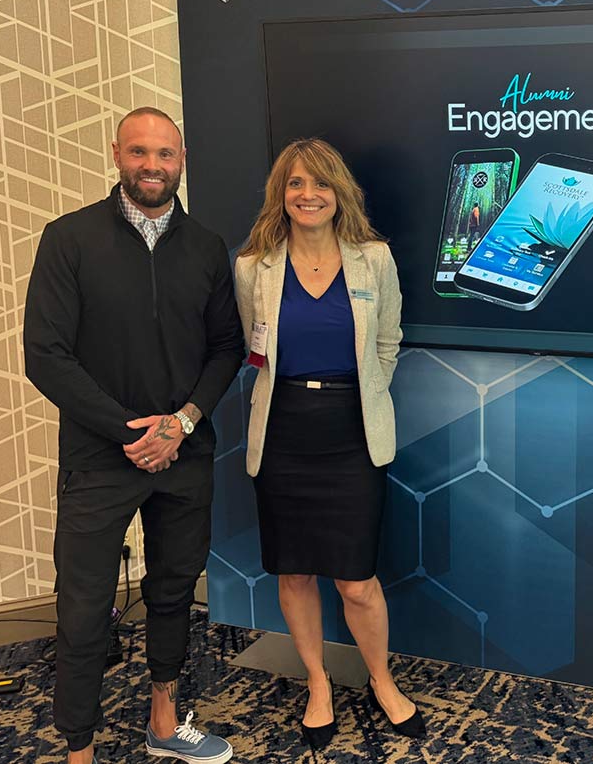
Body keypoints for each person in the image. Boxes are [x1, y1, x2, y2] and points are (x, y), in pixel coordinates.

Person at [23, 107, 244, 764]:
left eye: (165, 154)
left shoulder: (206, 247)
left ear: (182, 161)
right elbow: (45, 355)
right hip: (98, 458)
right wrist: (131, 432)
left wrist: (182, 423)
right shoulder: (69, 238)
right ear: (117, 152)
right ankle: (79, 749)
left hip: (185, 453)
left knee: (173, 593)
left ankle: (164, 721)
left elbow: (226, 348)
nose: (153, 165)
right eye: (140, 152)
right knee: (84, 608)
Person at [234, 138, 424, 751]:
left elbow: (389, 342)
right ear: (280, 194)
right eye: (295, 183)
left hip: (353, 434)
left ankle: (381, 680)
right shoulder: (254, 266)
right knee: (294, 572)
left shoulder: (374, 259)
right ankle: (318, 683)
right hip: (283, 433)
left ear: (339, 192)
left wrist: (365, 394)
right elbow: (252, 348)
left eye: (320, 183)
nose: (308, 194)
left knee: (356, 581)